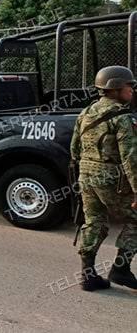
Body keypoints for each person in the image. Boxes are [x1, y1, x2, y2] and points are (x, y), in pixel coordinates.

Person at [70, 65, 137, 291]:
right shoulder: (123, 117)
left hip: (86, 175)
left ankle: (88, 276)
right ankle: (120, 268)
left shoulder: (85, 112)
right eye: (130, 86)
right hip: (111, 177)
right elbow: (130, 158)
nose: (132, 90)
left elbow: (74, 149)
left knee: (94, 222)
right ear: (115, 87)